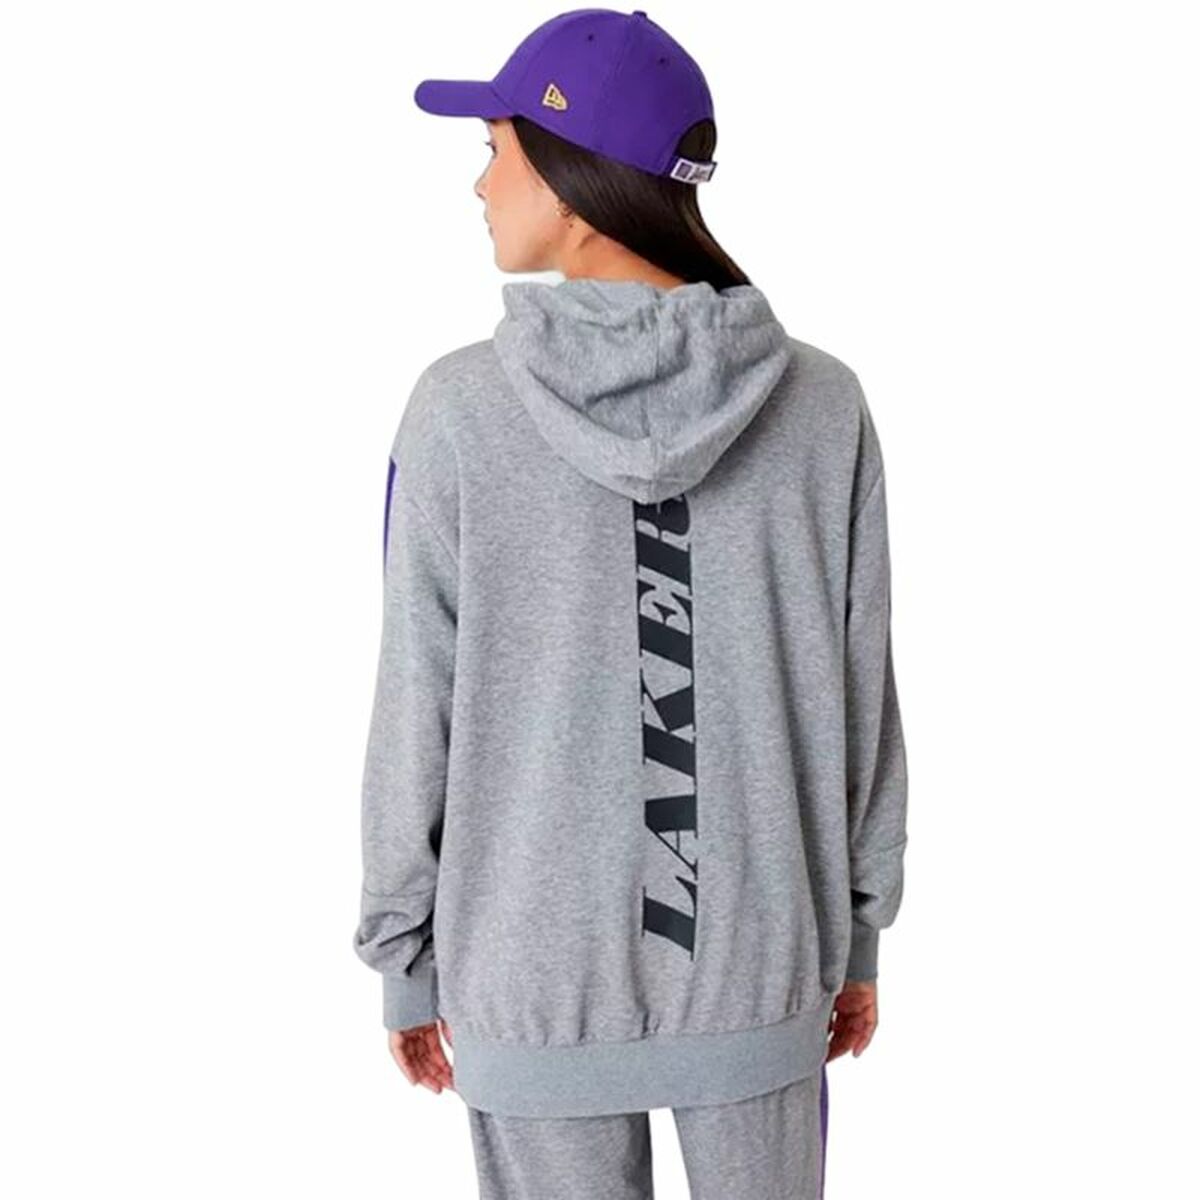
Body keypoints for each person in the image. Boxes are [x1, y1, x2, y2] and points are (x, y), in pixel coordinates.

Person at [351, 9, 909, 1199]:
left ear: (574, 182)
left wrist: (404, 955)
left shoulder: (457, 414)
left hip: (528, 983)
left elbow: (414, 706)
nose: (480, 183)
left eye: (496, 149)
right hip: (765, 968)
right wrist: (859, 926)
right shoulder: (824, 407)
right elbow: (863, 697)